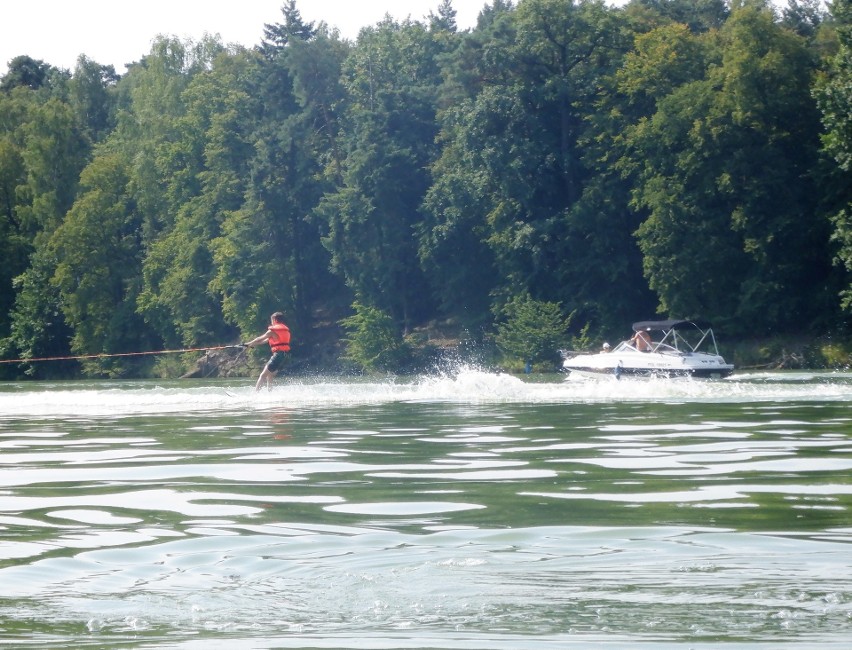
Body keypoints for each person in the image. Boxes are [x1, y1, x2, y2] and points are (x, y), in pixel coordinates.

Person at [243, 312, 291, 391]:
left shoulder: (272, 331)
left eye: (272, 320)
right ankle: (270, 392)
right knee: (270, 375)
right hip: (283, 356)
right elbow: (263, 341)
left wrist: (248, 344)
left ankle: (256, 394)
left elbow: (259, 339)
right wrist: (250, 345)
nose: (271, 322)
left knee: (262, 375)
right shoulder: (284, 330)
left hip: (278, 355)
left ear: (275, 320)